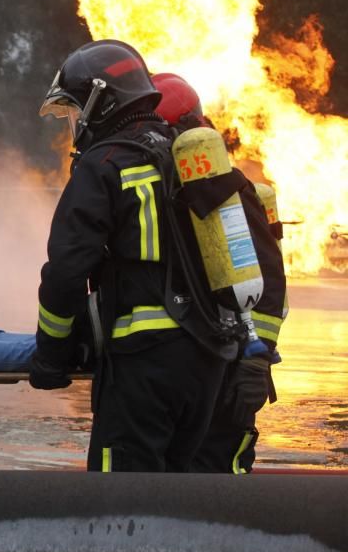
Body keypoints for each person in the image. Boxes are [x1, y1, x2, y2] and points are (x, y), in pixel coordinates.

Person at [30, 39, 259, 472]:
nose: (74, 123)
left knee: (121, 505)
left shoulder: (104, 165)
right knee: (176, 499)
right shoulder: (188, 156)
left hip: (144, 365)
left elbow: (65, 273)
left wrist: (50, 357)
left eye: (75, 110)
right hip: (208, 362)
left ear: (101, 100)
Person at [151, 72, 288, 474]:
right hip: (194, 361)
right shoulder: (162, 185)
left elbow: (270, 278)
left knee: (219, 470)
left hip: (233, 359)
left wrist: (256, 359)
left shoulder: (225, 188)